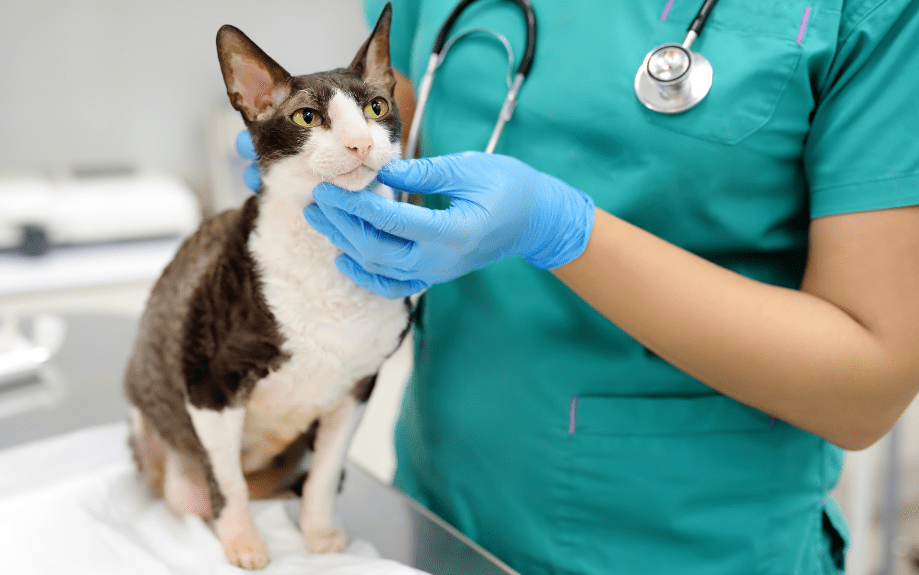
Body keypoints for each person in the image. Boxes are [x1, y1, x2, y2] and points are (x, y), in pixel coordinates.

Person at [241, 1, 919, 573]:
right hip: (439, 513)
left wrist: (562, 230)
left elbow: (866, 384)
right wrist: (324, 165)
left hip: (690, 540)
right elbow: (403, 110)